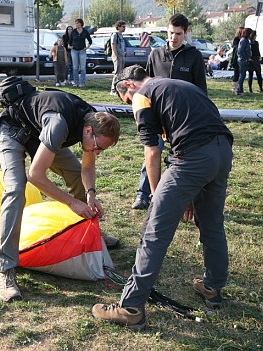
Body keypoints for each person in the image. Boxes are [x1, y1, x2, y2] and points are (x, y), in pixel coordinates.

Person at [91, 65, 233, 331]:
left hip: (191, 159)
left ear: (129, 85)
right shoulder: (178, 85)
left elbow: (152, 151)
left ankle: (130, 307)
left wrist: (157, 194)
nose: (131, 105)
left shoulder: (142, 94)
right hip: (222, 154)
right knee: (212, 224)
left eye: (126, 100)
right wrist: (186, 191)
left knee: (153, 232)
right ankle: (213, 287)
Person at [0, 79, 121, 302]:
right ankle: (5, 268)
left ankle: (92, 233)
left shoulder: (92, 120)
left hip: (39, 133)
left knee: (76, 174)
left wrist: (90, 194)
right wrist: (72, 203)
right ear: (88, 131)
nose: (97, 152)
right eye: (98, 147)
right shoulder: (59, 124)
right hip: (13, 131)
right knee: (16, 190)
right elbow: (35, 176)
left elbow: (86, 168)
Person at [132, 13, 207, 210]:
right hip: (157, 114)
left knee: (180, 159)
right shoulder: (156, 54)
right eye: (171, 33)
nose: (174, 37)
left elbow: (201, 89)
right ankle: (143, 194)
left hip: (183, 118)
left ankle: (178, 196)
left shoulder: (194, 56)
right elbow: (147, 85)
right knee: (151, 151)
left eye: (178, 34)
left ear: (186, 32)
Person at [69, 18, 92, 88]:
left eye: (77, 23)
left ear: (81, 24)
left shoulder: (85, 31)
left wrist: (87, 47)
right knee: (75, 67)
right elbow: (70, 41)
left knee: (82, 68)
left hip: (82, 51)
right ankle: (76, 82)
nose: (76, 24)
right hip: (74, 51)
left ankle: (82, 82)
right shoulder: (74, 32)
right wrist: (69, 46)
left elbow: (90, 41)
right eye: (75, 23)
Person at [110, 20, 127, 95]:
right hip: (117, 56)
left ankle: (118, 89)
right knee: (117, 73)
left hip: (122, 56)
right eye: (123, 27)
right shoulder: (115, 35)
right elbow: (113, 45)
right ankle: (113, 89)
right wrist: (116, 55)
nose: (124, 28)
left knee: (121, 73)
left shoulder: (121, 35)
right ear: (118, 27)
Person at [236, 27, 253, 95]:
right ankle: (239, 90)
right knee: (242, 75)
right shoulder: (244, 40)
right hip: (243, 60)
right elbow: (240, 51)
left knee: (243, 75)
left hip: (243, 60)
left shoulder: (246, 40)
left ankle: (239, 89)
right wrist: (246, 58)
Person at [229, 27, 244, 94]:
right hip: (236, 58)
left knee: (240, 74)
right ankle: (234, 88)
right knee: (236, 73)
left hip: (240, 58)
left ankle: (238, 88)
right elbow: (236, 47)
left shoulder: (242, 39)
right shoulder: (236, 39)